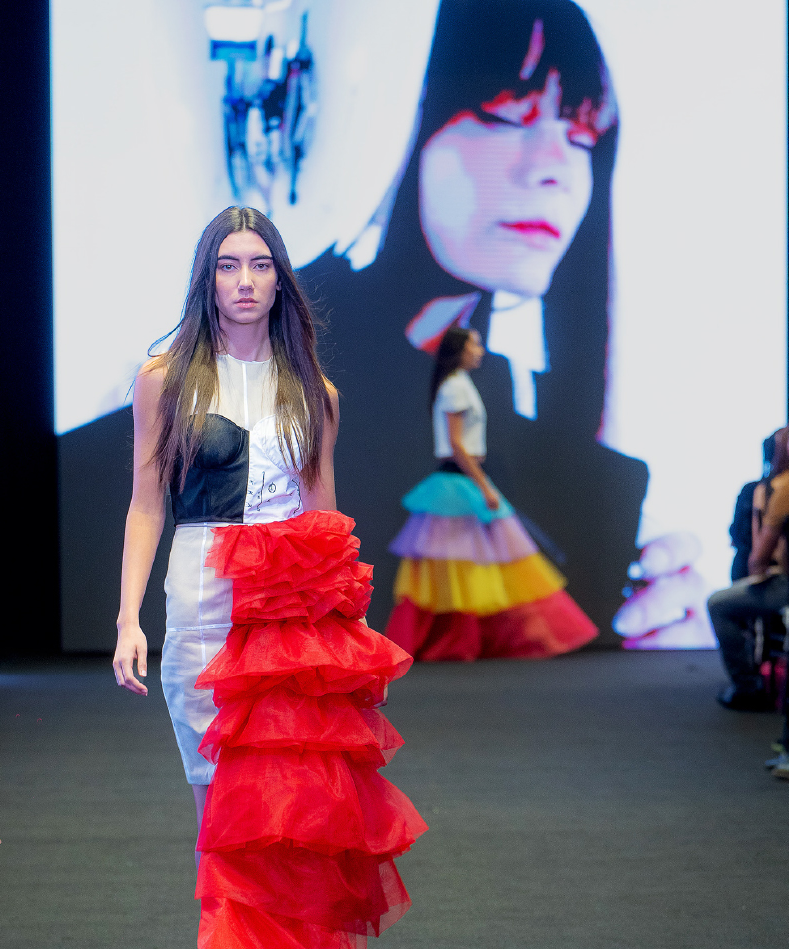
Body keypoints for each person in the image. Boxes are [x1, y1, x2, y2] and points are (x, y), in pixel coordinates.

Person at [112, 206, 426, 949]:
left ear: (280, 281)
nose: (244, 281)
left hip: (288, 625)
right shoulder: (164, 380)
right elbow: (143, 505)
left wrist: (347, 651)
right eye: (226, 265)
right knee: (223, 834)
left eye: (259, 266)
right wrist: (128, 616)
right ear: (206, 279)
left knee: (277, 840)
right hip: (202, 614)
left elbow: (327, 521)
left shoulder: (313, 393)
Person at [299, 0, 651, 641]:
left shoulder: (528, 414)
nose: (552, 168)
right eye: (504, 116)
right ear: (399, 116)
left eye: (580, 136)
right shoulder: (279, 370)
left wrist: (632, 618)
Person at [385, 323, 597, 659]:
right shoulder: (455, 387)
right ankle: (457, 641)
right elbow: (456, 443)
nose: (480, 351)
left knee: (471, 562)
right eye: (475, 345)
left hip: (463, 479)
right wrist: (483, 485)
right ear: (460, 350)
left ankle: (469, 640)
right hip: (460, 481)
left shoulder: (459, 384)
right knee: (462, 563)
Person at [707, 429, 789, 710]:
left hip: (781, 582)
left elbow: (758, 555)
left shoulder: (781, 488)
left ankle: (746, 686)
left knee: (719, 604)